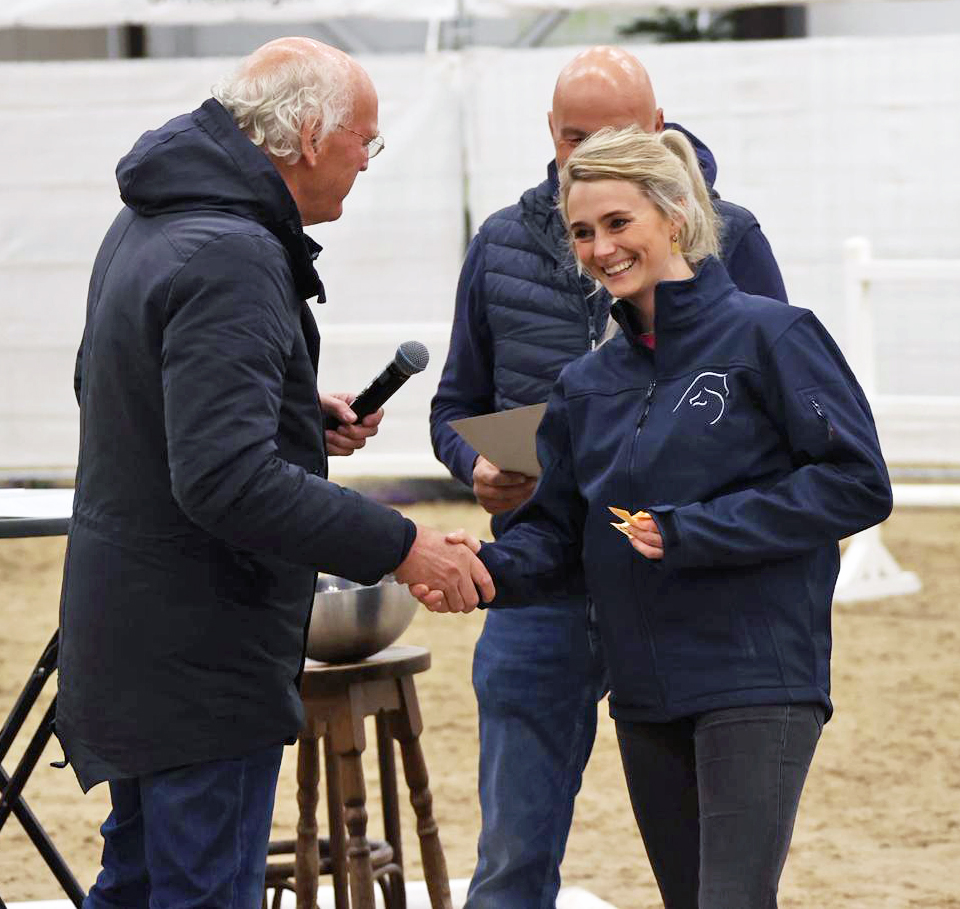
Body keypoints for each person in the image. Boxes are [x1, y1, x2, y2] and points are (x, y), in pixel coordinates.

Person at [56, 38, 492, 909]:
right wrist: (403, 546)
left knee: (137, 888)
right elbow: (225, 480)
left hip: (133, 636)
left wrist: (291, 415)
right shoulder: (234, 252)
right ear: (301, 135)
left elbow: (116, 389)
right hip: (199, 657)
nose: (369, 158)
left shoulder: (155, 216)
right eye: (364, 139)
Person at [418, 124, 893, 908]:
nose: (601, 247)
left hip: (755, 673)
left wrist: (694, 529)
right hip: (645, 689)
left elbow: (856, 482)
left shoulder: (773, 335)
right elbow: (557, 536)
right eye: (582, 231)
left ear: (674, 215)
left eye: (617, 222)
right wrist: (483, 568)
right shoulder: (584, 384)